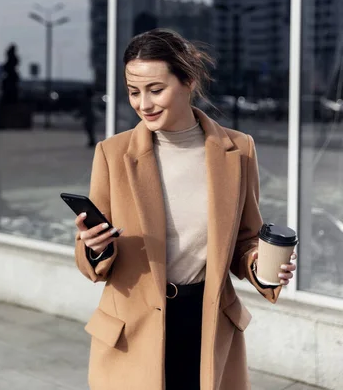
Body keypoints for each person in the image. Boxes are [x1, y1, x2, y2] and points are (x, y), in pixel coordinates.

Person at [75, 29, 296, 390]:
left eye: (155, 90)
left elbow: (245, 239)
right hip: (133, 330)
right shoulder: (112, 154)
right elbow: (89, 256)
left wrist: (262, 264)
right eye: (134, 92)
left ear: (188, 81)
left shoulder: (238, 151)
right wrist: (94, 246)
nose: (143, 103)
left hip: (206, 322)